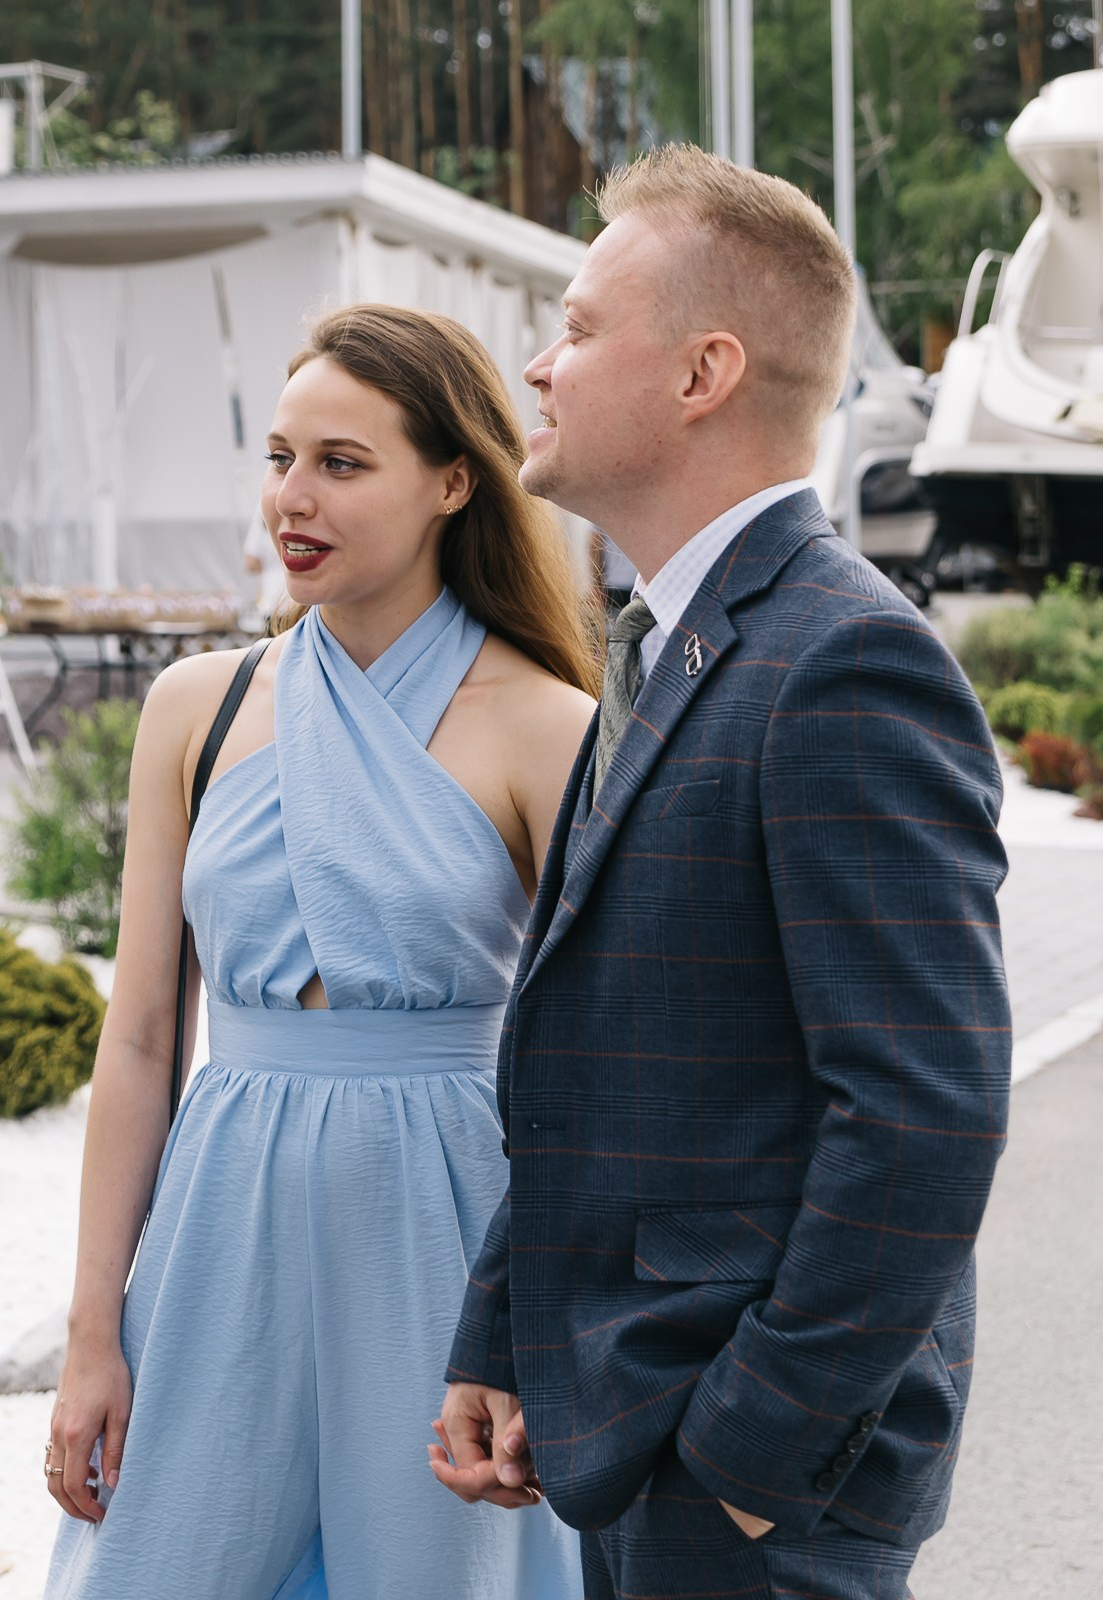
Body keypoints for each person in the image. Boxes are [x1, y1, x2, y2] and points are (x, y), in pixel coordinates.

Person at [432, 147, 1009, 1600]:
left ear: (703, 373)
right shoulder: (666, 645)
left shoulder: (846, 662)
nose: (538, 366)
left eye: (577, 328)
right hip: (634, 1422)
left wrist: (751, 1457)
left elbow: (923, 1113)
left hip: (753, 1471)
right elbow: (590, 1050)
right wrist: (507, 1337)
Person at [45, 304, 597, 1598]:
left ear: (453, 482)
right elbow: (139, 1038)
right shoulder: (197, 706)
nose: (292, 498)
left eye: (342, 464)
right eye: (281, 457)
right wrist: (91, 1333)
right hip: (218, 1223)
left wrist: (538, 1332)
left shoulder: (548, 726)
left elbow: (590, 1066)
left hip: (443, 1230)